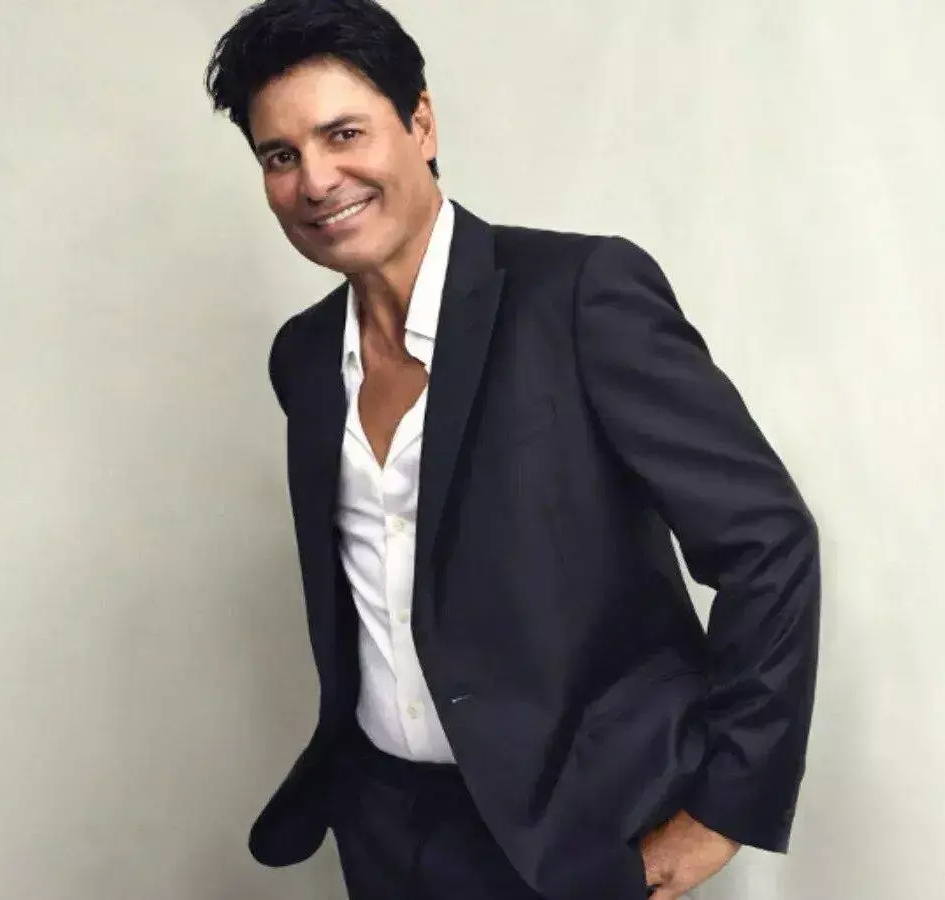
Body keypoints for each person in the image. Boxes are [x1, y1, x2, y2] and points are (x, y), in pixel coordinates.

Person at [204, 2, 821, 898]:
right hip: (383, 826)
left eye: (344, 134)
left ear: (420, 122)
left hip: (578, 830)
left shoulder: (578, 296)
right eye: (280, 156)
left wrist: (724, 807)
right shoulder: (302, 357)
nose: (317, 180)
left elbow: (768, 542)